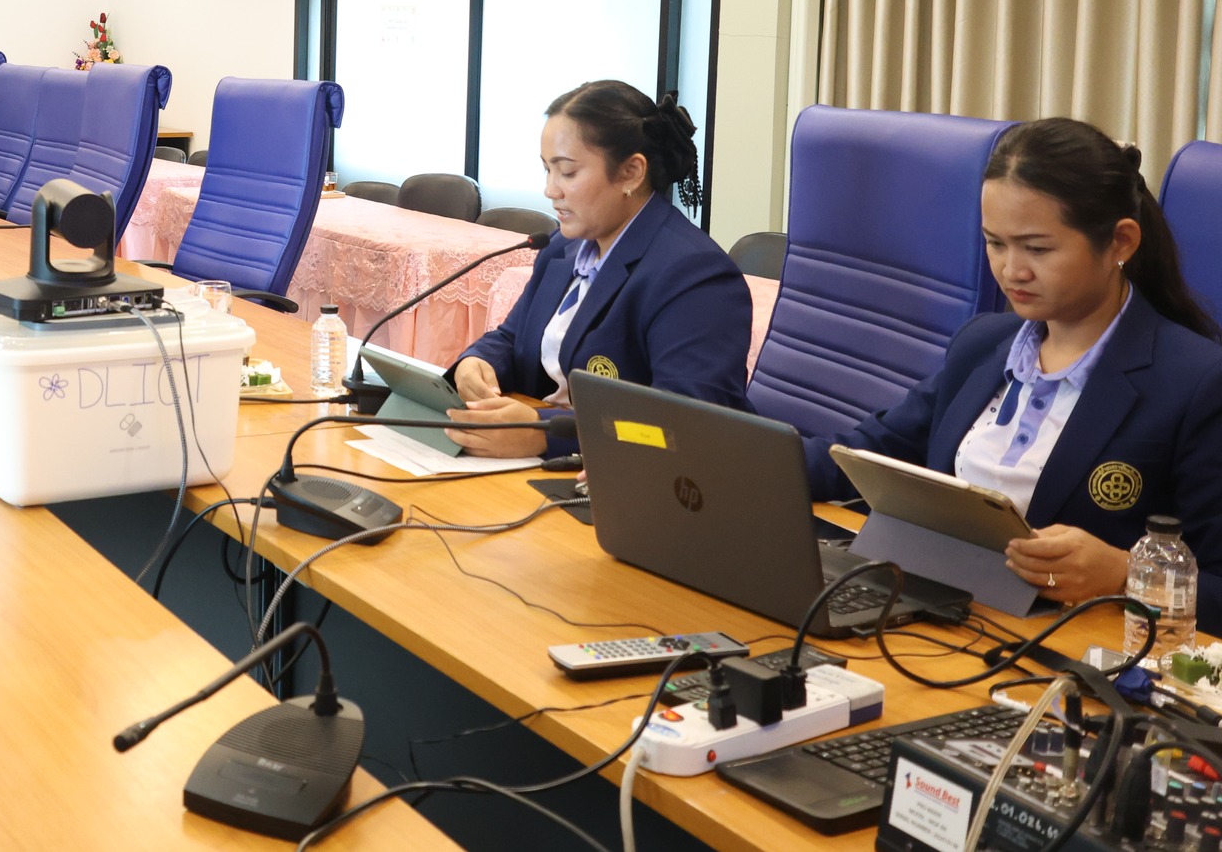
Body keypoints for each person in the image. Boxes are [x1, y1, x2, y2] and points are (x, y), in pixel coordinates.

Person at [807, 118, 1222, 627]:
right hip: (941, 613)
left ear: (1120, 243)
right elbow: (868, 450)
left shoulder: (1196, 382)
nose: (1012, 271)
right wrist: (747, 458)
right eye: (995, 243)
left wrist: (1123, 573)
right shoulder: (983, 344)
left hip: (1066, 639)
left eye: (1037, 249)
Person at [445, 80, 753, 459]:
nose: (550, 190)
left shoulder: (694, 275)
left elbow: (684, 421)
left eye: (567, 172)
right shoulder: (561, 248)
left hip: (628, 473)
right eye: (547, 170)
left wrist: (545, 433)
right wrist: (478, 361)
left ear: (631, 173)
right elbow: (512, 337)